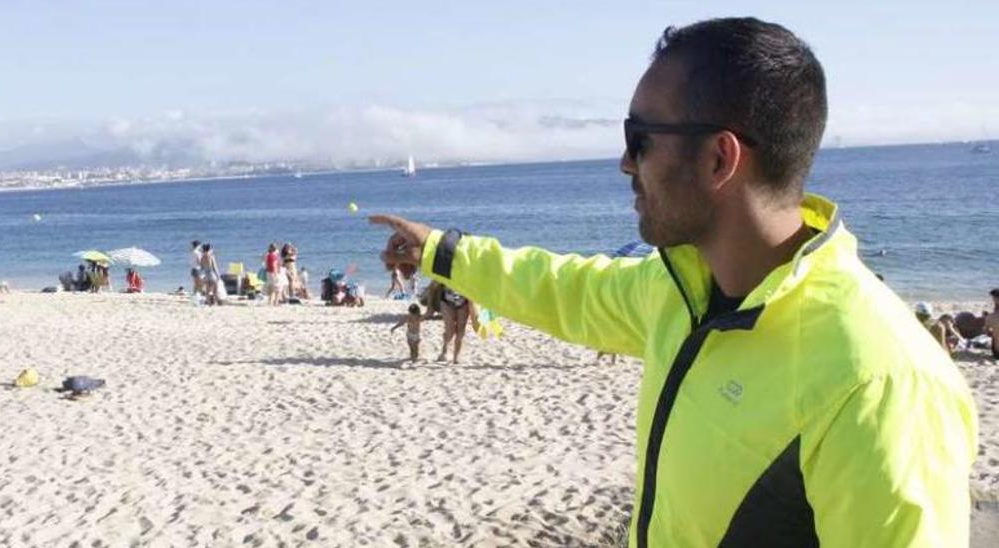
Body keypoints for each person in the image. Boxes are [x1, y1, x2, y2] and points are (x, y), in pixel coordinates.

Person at [369, 18, 975, 546]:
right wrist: (441, 252)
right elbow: (560, 287)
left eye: (640, 139)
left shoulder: (880, 381)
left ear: (720, 158)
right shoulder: (681, 290)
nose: (626, 163)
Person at [436, 285, 473, 363]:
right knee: (450, 331)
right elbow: (435, 284)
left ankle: (456, 357)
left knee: (460, 332)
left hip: (463, 301)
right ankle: (444, 349)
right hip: (447, 301)